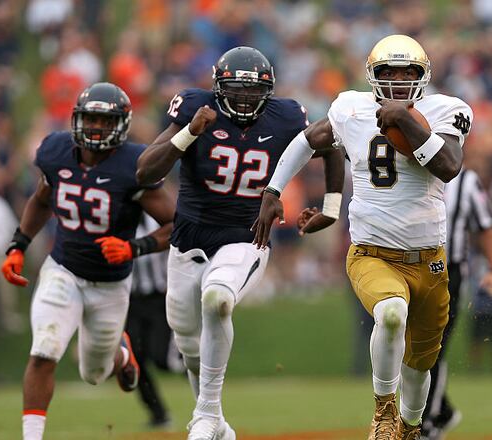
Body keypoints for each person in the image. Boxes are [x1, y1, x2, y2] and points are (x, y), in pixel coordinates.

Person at [253, 34, 473, 440]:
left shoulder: (446, 110)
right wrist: (273, 190)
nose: (398, 79)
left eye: (408, 71)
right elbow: (310, 141)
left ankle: (407, 427)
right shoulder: (351, 108)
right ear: (374, 75)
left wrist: (404, 119)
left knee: (421, 366)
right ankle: (383, 411)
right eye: (389, 71)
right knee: (390, 313)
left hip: (429, 260)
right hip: (372, 253)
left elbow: (448, 165)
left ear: (423, 76)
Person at [135, 46, 345, 440]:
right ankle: (218, 426)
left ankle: (206, 414)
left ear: (268, 91)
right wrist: (189, 133)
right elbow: (145, 171)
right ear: (217, 87)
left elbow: (332, 144)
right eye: (237, 90)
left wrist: (332, 207)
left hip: (247, 235)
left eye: (253, 92)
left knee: (218, 299)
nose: (245, 99)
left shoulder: (285, 116)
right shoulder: (195, 108)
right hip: (188, 237)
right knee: (186, 339)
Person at [0, 82, 175, 440]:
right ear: (77, 119)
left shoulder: (135, 166)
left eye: (105, 121)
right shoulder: (56, 151)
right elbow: (41, 199)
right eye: (90, 118)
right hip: (63, 269)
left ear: (121, 126)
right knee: (44, 349)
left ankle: (121, 356)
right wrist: (18, 245)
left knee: (94, 373)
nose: (95, 127)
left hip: (110, 283)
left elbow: (177, 224)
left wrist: (134, 248)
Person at [422, 167, 492, 439]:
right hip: (413, 268)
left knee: (434, 348)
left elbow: (486, 224)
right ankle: (441, 410)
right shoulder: (409, 166)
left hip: (449, 271)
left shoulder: (466, 181)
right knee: (409, 347)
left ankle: (427, 422)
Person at [126, 213, 176, 430]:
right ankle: (158, 413)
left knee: (160, 357)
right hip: (131, 301)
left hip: (159, 298)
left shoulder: (158, 219)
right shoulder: (119, 219)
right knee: (134, 360)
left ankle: (191, 369)